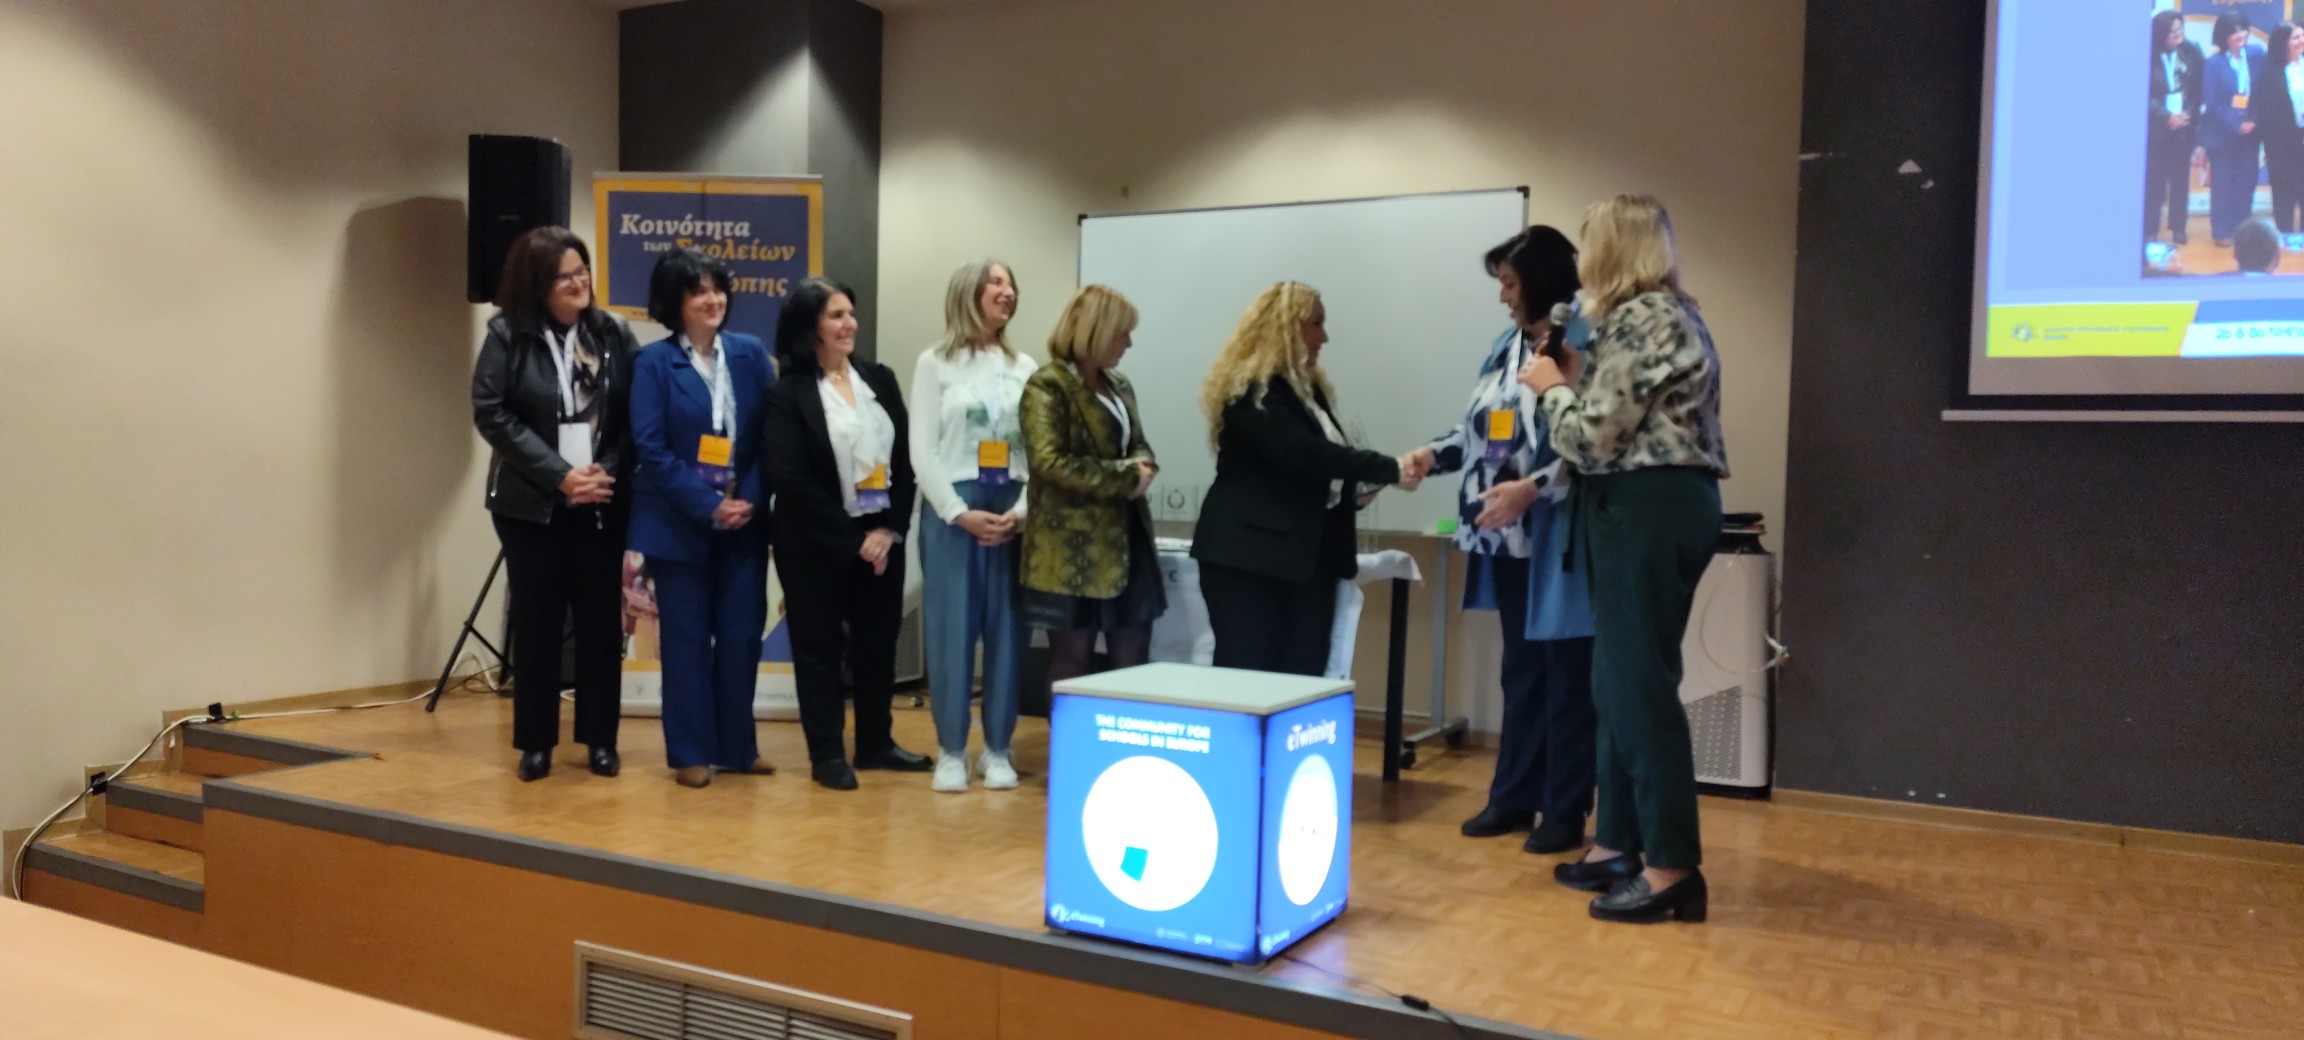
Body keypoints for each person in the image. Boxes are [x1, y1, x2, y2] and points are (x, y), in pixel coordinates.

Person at [1519, 195, 1728, 925]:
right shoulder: (1643, 320)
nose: (1580, 261)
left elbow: (1589, 440)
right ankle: (1618, 844)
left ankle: (1672, 867)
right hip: (1636, 507)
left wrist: (1552, 389)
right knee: (1614, 683)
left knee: (1639, 689)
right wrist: (1575, 372)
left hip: (1648, 507)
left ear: (1612, 249)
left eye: (1589, 244)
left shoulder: (1648, 317)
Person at [1402, 227, 1598, 855]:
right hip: (1507, 536)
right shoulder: (1504, 345)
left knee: (1566, 678)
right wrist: (1431, 455)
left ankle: (1564, 810)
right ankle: (1514, 796)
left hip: (1560, 533)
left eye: (1510, 284)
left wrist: (1532, 490)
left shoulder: (1584, 341)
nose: (1503, 297)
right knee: (1522, 671)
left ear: (1540, 282)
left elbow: (1591, 442)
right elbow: (1477, 432)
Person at [470, 226, 638, 782]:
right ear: (537, 283)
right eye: (564, 276)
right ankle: (536, 742)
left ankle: (601, 741)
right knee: (538, 623)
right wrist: (560, 476)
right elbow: (491, 412)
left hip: (601, 498)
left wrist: (605, 470)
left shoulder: (613, 332)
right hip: (531, 505)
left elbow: (637, 414)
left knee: (599, 625)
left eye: (581, 270)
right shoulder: (507, 335)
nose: (578, 282)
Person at [1190, 283, 1415, 676]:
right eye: (1316, 324)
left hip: (1308, 560)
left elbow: (1316, 467)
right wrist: (1390, 468)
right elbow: (1300, 453)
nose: (1323, 337)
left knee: (1304, 676)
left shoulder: (1308, 391)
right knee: (1248, 674)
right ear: (1286, 329)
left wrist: (1350, 492)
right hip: (1250, 560)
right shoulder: (1253, 391)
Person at [764, 278, 931, 790]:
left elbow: (906, 463)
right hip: (815, 540)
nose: (849, 324)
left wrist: (889, 530)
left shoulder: (879, 379)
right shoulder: (787, 393)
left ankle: (876, 743)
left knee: (878, 645)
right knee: (818, 650)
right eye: (836, 315)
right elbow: (791, 480)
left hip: (880, 534)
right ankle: (827, 753)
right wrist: (854, 540)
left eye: (851, 314)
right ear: (810, 326)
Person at [627, 247, 777, 789]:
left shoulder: (750, 354)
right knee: (686, 642)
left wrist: (749, 498)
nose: (713, 299)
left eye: (718, 289)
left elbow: (770, 435)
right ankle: (689, 752)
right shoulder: (653, 364)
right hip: (679, 524)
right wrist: (708, 503)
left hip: (744, 521)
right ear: (676, 301)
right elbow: (651, 448)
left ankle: (737, 747)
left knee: (741, 637)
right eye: (699, 291)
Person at [910, 260, 1035, 793]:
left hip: (1011, 510)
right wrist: (957, 511)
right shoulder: (934, 363)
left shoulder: (1026, 366)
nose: (1008, 292)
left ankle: (998, 748)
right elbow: (922, 449)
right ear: (969, 291)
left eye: (1011, 285)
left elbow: (1040, 449)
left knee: (1008, 631)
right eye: (997, 282)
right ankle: (952, 750)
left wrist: (1023, 510)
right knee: (951, 632)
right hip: (953, 511)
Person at [1018, 285, 1164, 686]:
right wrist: (1128, 477)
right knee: (1071, 663)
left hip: (1128, 542)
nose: (1129, 343)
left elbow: (1138, 443)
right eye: (1123, 332)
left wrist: (1144, 463)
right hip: (1071, 551)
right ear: (1096, 331)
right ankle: (1068, 733)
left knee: (1134, 662)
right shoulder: (1048, 385)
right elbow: (1049, 463)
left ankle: (1127, 730)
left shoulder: (1120, 384)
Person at [2202, 12, 2266, 247]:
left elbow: (2263, 91)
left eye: (2243, 29)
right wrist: (2236, 124)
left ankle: (2243, 230)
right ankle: (2221, 230)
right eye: (2234, 31)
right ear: (2223, 36)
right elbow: (2212, 102)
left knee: (2247, 182)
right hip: (2223, 134)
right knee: (2223, 183)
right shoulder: (2213, 64)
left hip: (2251, 131)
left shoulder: (2256, 55)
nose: (2241, 35)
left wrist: (2253, 121)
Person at [2149, 10, 2208, 245]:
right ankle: (2150, 227)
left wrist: (2187, 114)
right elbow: (2143, 94)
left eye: (2180, 29)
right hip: (2157, 129)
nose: (2178, 35)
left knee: (2180, 181)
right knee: (2154, 181)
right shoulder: (2148, 53)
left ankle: (2178, 227)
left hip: (2184, 127)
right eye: (2172, 32)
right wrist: (2165, 117)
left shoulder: (2191, 51)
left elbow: (2199, 89)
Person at [2254, 22, 2304, 233]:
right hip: (2282, 141)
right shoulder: (2270, 71)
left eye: (2302, 36)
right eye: (2296, 38)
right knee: (2283, 189)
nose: (2301, 41)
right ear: (2284, 43)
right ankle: (2285, 233)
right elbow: (2267, 109)